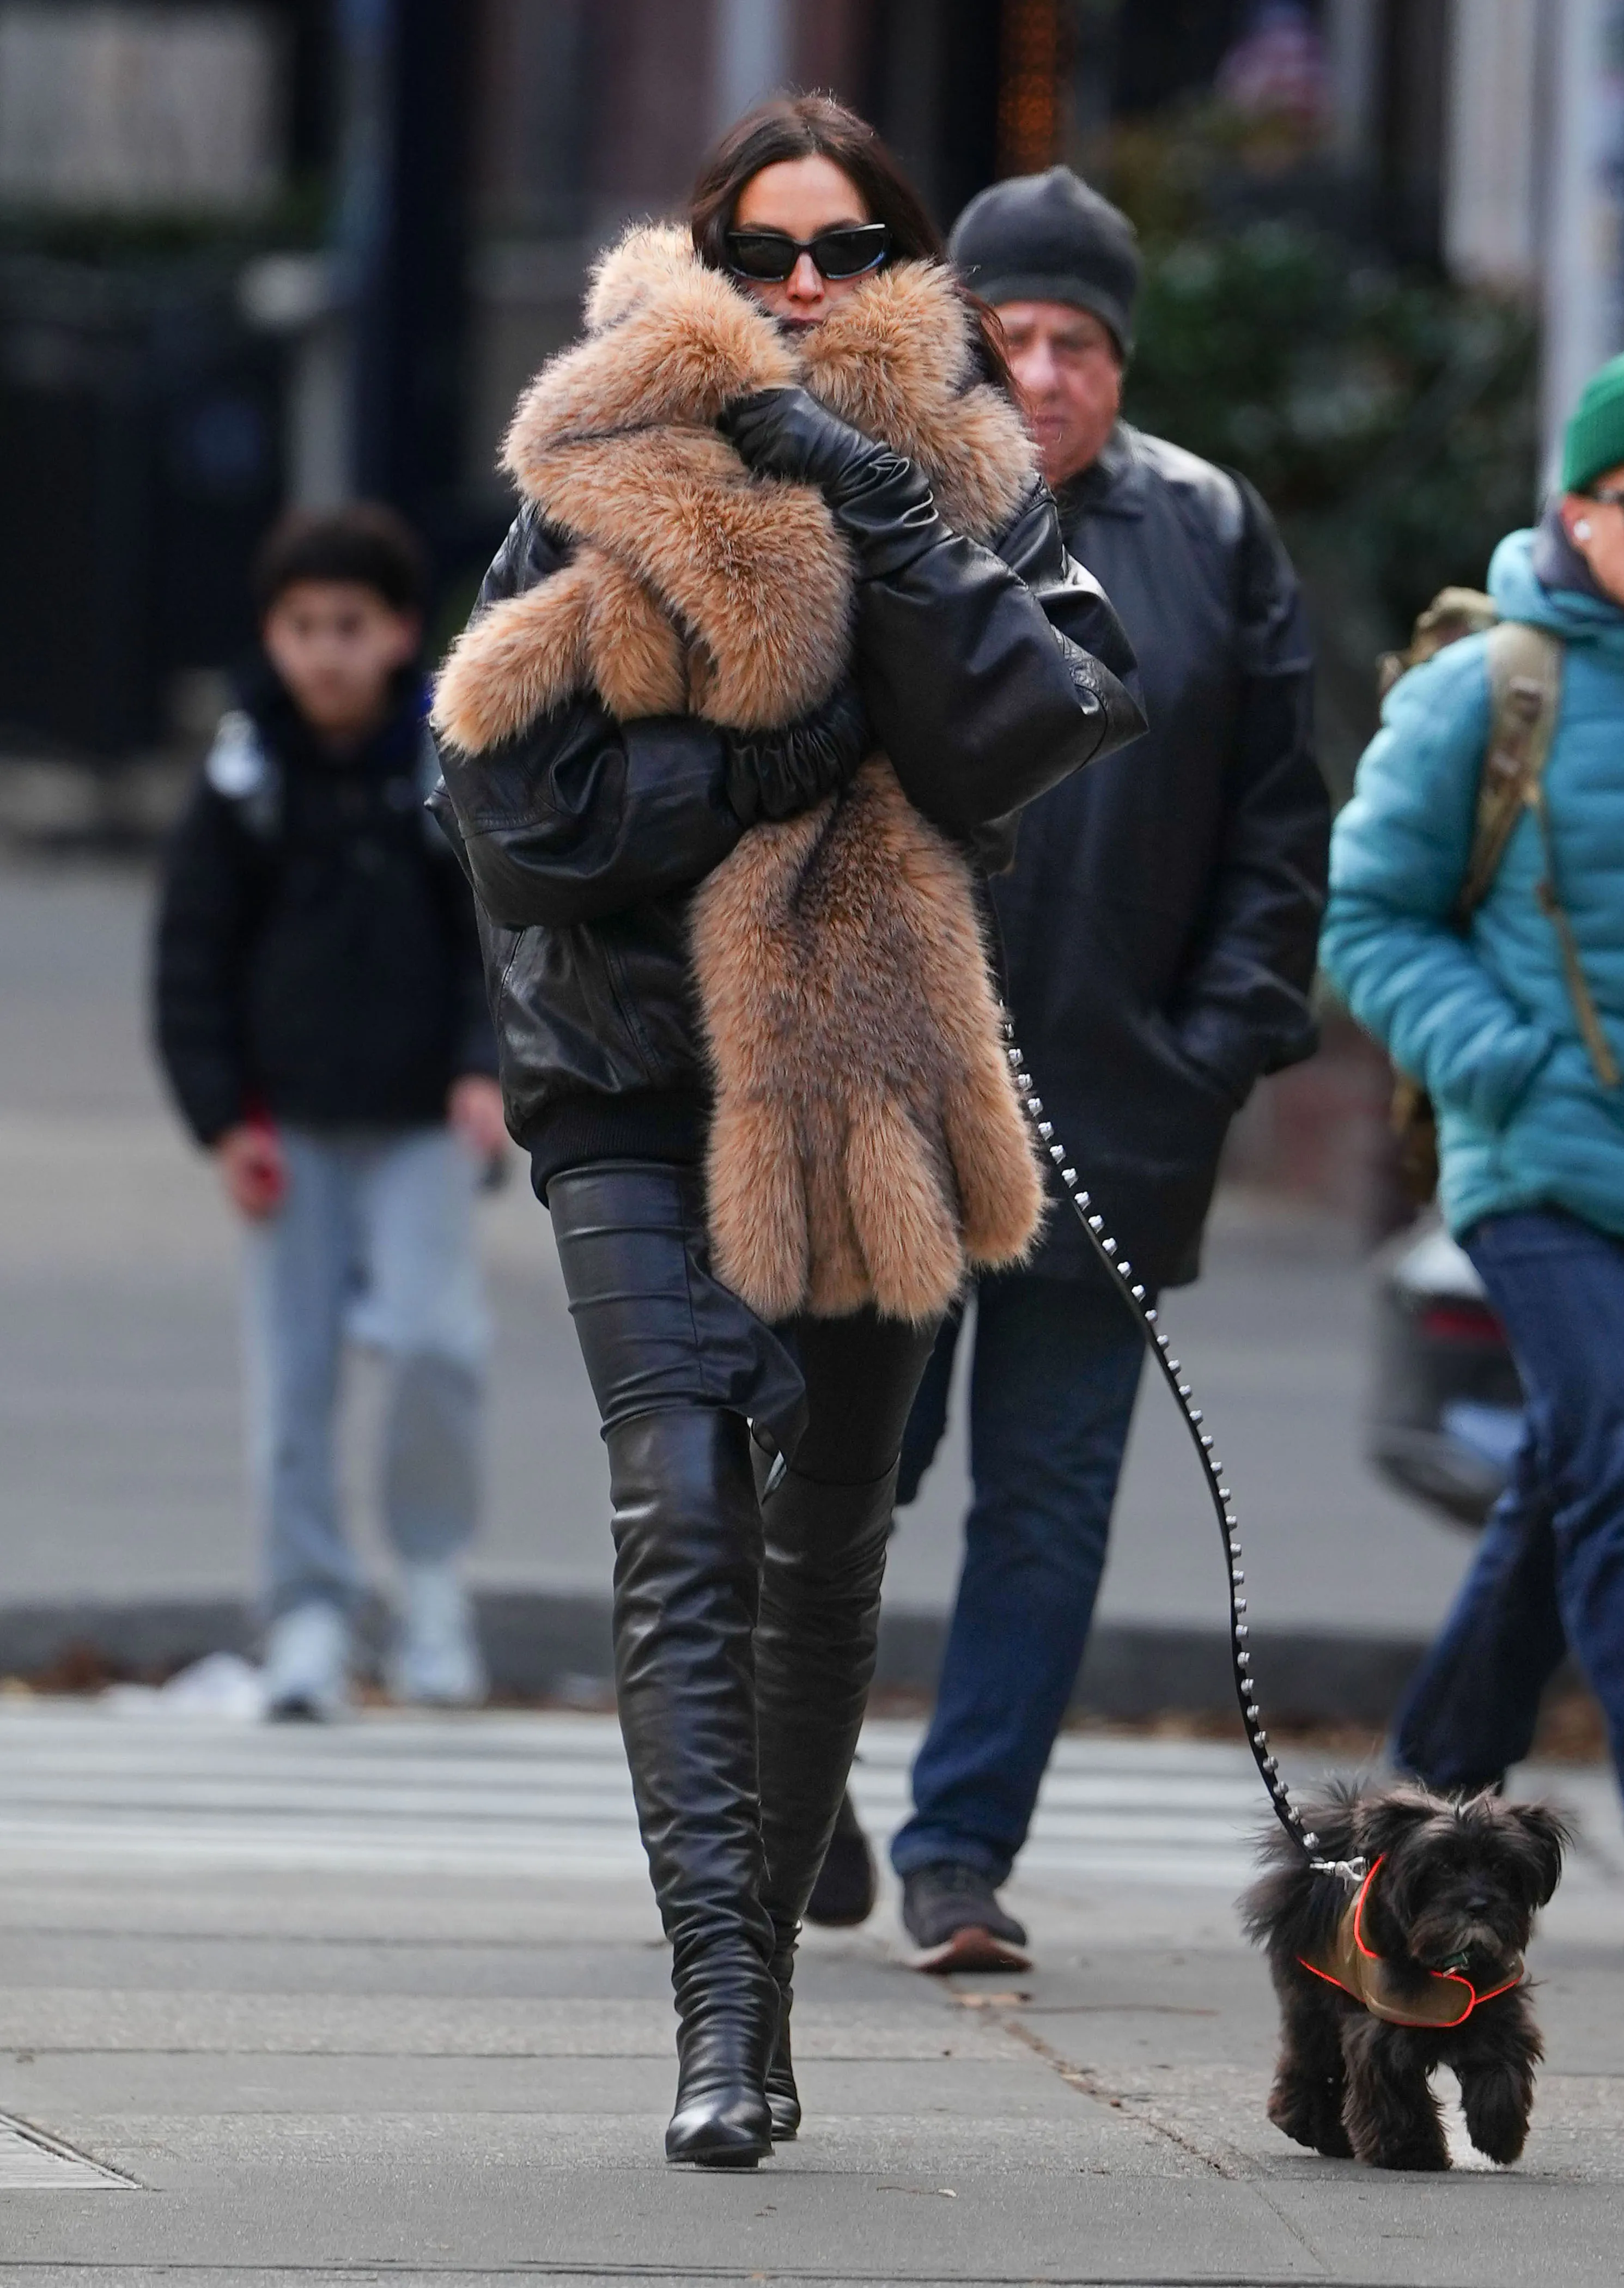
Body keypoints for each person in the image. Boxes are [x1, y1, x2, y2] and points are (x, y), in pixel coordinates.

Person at [428, 99, 1142, 2169]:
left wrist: (880, 516)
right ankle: (722, 2021)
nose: (801, 289)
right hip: (626, 1073)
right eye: (763, 251)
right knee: (679, 1512)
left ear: (906, 267)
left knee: (825, 1542)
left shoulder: (972, 479)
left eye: (842, 251)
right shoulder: (595, 451)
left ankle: (764, 1952)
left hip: (868, 1073)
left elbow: (1035, 723)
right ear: (709, 260)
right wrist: (753, 778)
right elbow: (506, 812)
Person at [807, 166, 1327, 1968]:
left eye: (1077, 341)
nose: (1042, 371)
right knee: (853, 1473)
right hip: (902, 1093)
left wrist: (1210, 1048)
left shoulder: (1209, 528)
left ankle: (963, 1856)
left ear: (1119, 358)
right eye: (1009, 335)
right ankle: (801, 1789)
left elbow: (1278, 822)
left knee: (1051, 1500)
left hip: (1119, 1113)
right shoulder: (874, 496)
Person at [1322, 336, 1624, 1948]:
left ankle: (1414, 1810)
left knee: (1571, 1487)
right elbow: (1368, 919)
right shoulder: (1489, 690)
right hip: (1540, 1171)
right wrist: (1498, 1061)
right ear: (1582, 511)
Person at [155, 506, 504, 1720]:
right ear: (273, 634)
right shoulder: (243, 774)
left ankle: (430, 1586)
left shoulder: (440, 762)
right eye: (303, 628)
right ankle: (305, 1608)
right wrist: (220, 1120)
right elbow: (191, 959)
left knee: (433, 1350)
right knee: (293, 1384)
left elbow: (494, 934)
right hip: (286, 1127)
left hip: (420, 1121)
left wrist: (485, 1066)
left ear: (402, 631)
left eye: (350, 627)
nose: (326, 653)